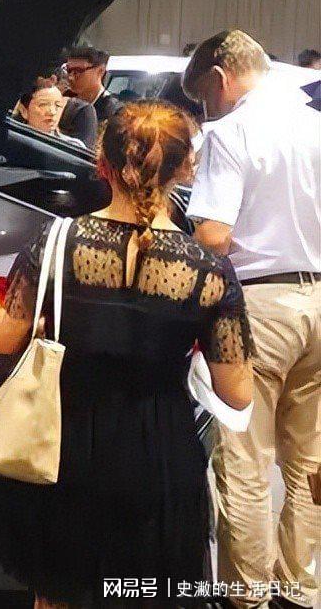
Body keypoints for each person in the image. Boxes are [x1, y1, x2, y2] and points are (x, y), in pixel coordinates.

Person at [0, 100, 253, 608]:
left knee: (59, 593)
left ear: (102, 163)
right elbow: (237, 394)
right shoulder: (209, 271)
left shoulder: (57, 242)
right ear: (185, 168)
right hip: (161, 457)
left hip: (65, 446)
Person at [183, 30, 320, 609]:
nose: (207, 111)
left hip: (259, 308)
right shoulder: (315, 123)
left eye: (204, 98)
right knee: (309, 462)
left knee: (244, 460)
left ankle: (247, 597)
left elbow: (213, 235)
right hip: (320, 303)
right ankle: (301, 589)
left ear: (221, 77)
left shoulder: (231, 131)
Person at [14, 81, 86, 148]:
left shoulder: (74, 146)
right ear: (24, 111)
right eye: (43, 105)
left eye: (58, 105)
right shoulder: (12, 139)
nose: (52, 112)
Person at [63, 46, 122, 124]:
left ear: (100, 71)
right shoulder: (66, 97)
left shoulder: (111, 110)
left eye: (78, 71)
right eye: (68, 70)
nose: (70, 77)